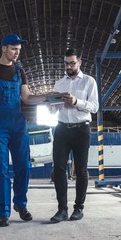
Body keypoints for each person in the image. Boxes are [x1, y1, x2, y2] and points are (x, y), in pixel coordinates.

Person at [0, 33, 47, 227]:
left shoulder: (19, 71)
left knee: (24, 166)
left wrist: (47, 96)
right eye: (14, 49)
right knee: (0, 169)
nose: (17, 53)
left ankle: (20, 204)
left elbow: (27, 97)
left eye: (19, 50)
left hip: (18, 123)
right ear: (4, 48)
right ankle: (3, 213)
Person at [49, 48, 99, 223]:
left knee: (81, 170)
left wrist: (76, 102)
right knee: (59, 169)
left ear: (79, 62)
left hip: (81, 129)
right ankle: (62, 210)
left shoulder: (88, 82)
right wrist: (51, 106)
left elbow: (94, 107)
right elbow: (54, 107)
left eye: (72, 63)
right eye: (66, 63)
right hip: (62, 128)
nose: (69, 66)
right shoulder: (59, 84)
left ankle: (79, 208)